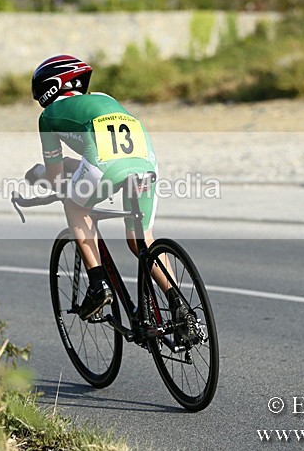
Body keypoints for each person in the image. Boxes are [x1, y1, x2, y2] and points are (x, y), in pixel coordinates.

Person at [26, 54, 189, 324]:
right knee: (141, 241)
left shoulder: (48, 116)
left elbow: (56, 178)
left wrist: (37, 174)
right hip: (146, 160)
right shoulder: (106, 99)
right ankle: (178, 304)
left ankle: (98, 283)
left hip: (102, 164)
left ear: (48, 88)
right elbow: (105, 154)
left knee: (74, 204)